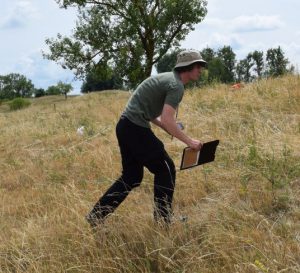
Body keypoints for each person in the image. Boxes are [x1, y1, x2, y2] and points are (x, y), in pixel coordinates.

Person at [86, 49, 207, 227]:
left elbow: (152, 115)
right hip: (135, 128)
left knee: (132, 176)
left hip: (125, 126)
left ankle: (97, 215)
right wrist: (190, 142)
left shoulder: (167, 79)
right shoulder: (176, 86)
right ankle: (164, 221)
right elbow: (167, 119)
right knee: (165, 168)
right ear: (188, 67)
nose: (200, 69)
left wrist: (168, 127)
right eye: (198, 66)